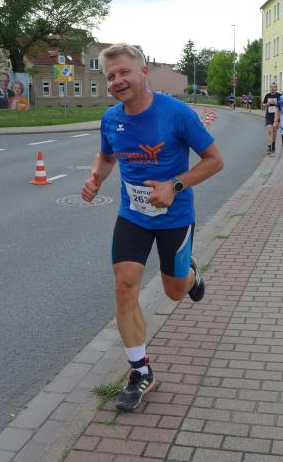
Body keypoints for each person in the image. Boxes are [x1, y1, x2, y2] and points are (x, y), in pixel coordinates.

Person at [80, 43, 224, 412]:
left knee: (174, 291)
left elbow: (214, 160)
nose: (117, 80)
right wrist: (96, 178)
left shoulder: (177, 113)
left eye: (124, 72)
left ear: (144, 72)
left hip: (175, 217)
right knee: (124, 286)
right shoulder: (111, 119)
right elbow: (106, 155)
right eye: (110, 76)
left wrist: (174, 185)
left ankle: (190, 274)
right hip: (133, 216)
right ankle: (140, 371)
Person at [261, 82, 282, 155]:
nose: (272, 88)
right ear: (270, 88)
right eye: (271, 87)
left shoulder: (279, 96)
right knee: (269, 130)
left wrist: (276, 103)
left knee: (274, 131)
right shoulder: (267, 95)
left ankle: (273, 144)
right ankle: (269, 147)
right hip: (269, 115)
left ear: (276, 88)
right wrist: (267, 104)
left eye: (274, 87)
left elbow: (282, 106)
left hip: (276, 115)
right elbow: (263, 105)